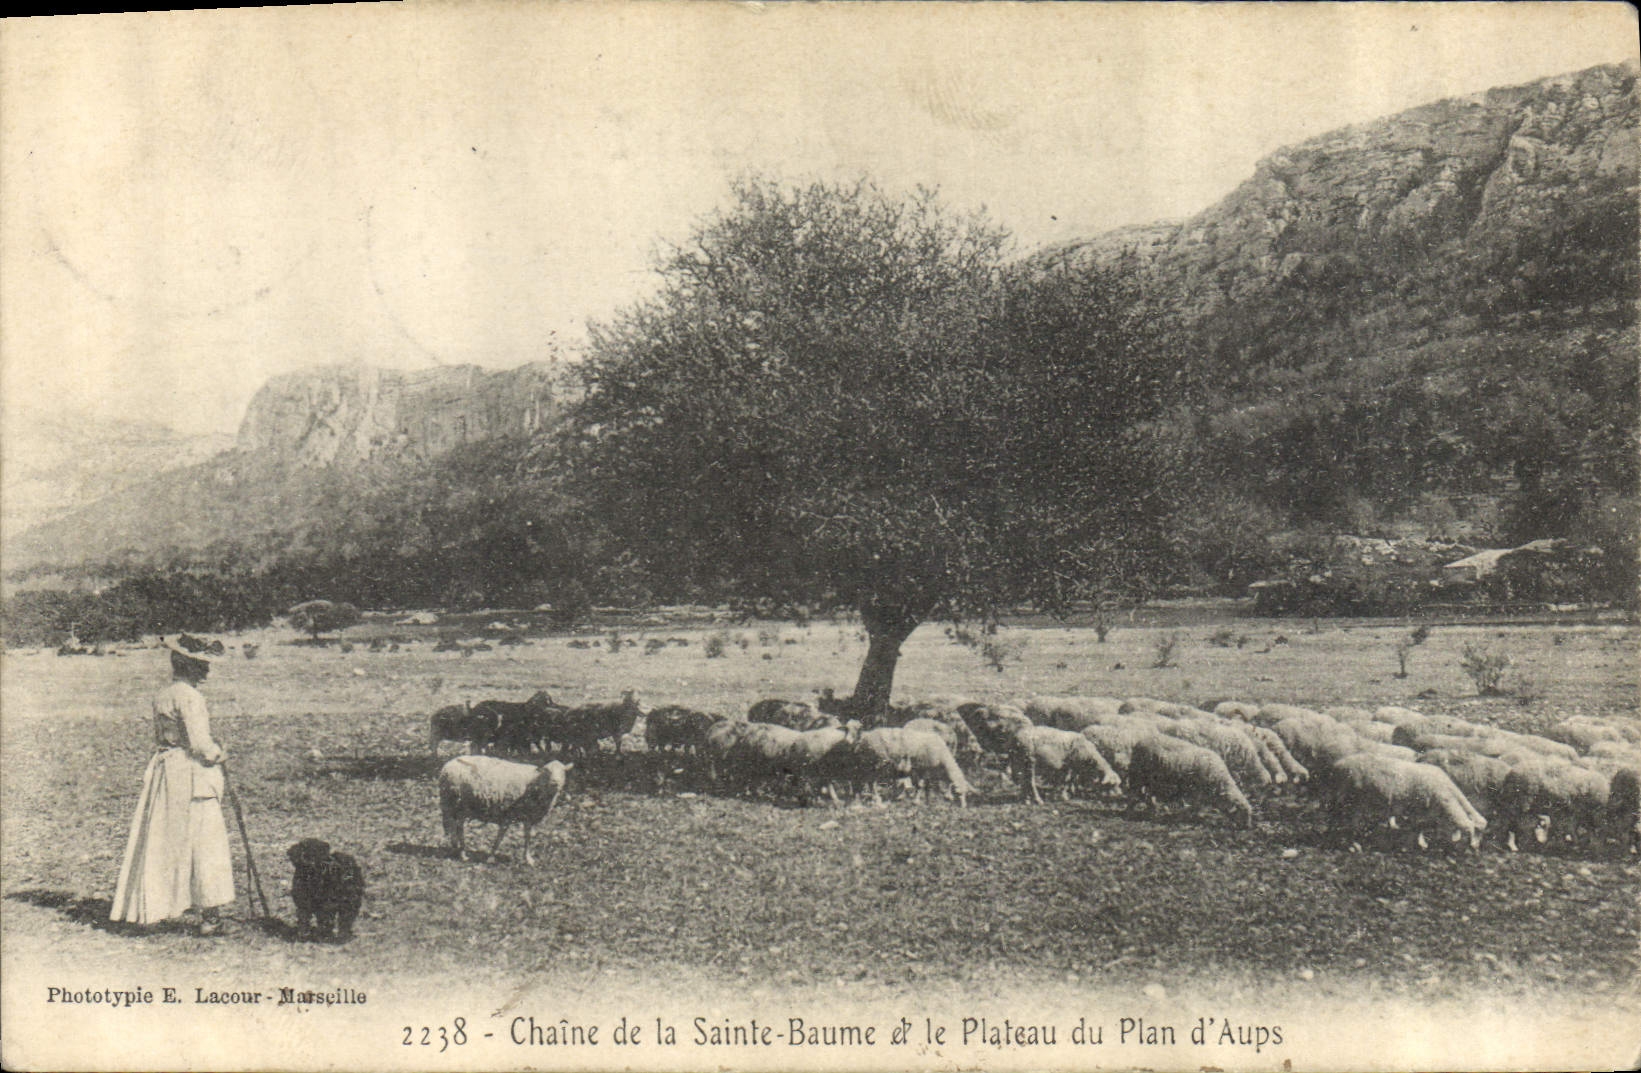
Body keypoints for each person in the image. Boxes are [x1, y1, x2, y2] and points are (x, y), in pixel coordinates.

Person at [109, 635, 237, 934]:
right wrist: (219, 753)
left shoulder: (163, 695)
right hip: (191, 776)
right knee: (205, 843)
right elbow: (200, 745)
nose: (207, 670)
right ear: (188, 665)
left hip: (167, 773)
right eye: (202, 664)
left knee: (163, 839)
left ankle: (152, 908)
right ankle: (210, 916)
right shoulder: (190, 697)